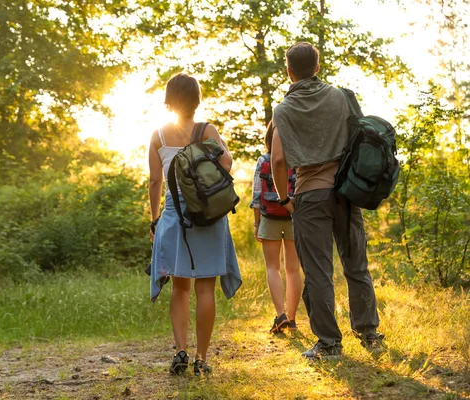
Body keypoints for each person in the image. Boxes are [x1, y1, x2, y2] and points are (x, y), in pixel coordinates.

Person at [270, 42, 384, 359]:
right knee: (356, 265)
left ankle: (329, 344)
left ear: (288, 71)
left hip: (308, 194)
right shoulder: (341, 96)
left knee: (319, 272)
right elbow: (361, 138)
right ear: (318, 67)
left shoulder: (283, 110)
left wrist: (284, 198)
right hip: (346, 191)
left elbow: (278, 161)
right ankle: (370, 334)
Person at [148, 73, 242, 375]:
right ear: (196, 98)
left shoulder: (159, 136)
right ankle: (202, 357)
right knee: (205, 289)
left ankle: (180, 351)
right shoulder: (207, 130)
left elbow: (154, 182)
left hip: (176, 216)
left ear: (169, 99)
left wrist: (154, 221)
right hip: (209, 215)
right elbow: (227, 165)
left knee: (180, 288)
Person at [250, 127, 302, 334]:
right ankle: (292, 318)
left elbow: (256, 196)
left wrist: (256, 224)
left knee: (273, 267)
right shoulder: (298, 160)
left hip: (269, 217)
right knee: (293, 269)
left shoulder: (263, 160)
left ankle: (280, 315)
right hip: (293, 216)